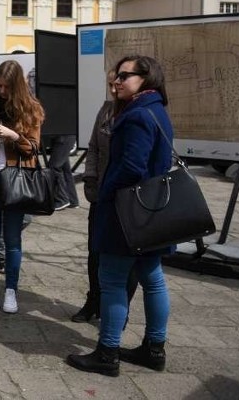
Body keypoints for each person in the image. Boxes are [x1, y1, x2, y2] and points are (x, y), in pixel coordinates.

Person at [67, 55, 174, 377]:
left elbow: (131, 167)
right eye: (117, 76)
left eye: (125, 76)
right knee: (152, 278)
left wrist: (105, 194)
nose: (117, 81)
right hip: (151, 210)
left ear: (146, 78)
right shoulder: (156, 110)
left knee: (112, 280)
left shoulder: (138, 115)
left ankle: (107, 352)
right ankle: (154, 349)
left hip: (127, 211)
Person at [0, 60, 44, 314]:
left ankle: (11, 289)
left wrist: (14, 136)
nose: (1, 91)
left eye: (6, 87)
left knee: (13, 239)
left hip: (17, 178)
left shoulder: (31, 109)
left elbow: (34, 148)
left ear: (16, 86)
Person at [72, 70, 138, 323]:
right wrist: (90, 180)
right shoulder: (106, 109)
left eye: (117, 83)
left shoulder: (136, 113)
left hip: (127, 199)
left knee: (126, 259)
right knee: (95, 251)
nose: (113, 88)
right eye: (110, 84)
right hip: (100, 195)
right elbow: (94, 148)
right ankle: (94, 300)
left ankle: (119, 310)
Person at [45, 133, 80, 211]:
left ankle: (61, 199)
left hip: (63, 137)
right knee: (64, 168)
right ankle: (72, 200)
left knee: (54, 167)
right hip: (65, 136)